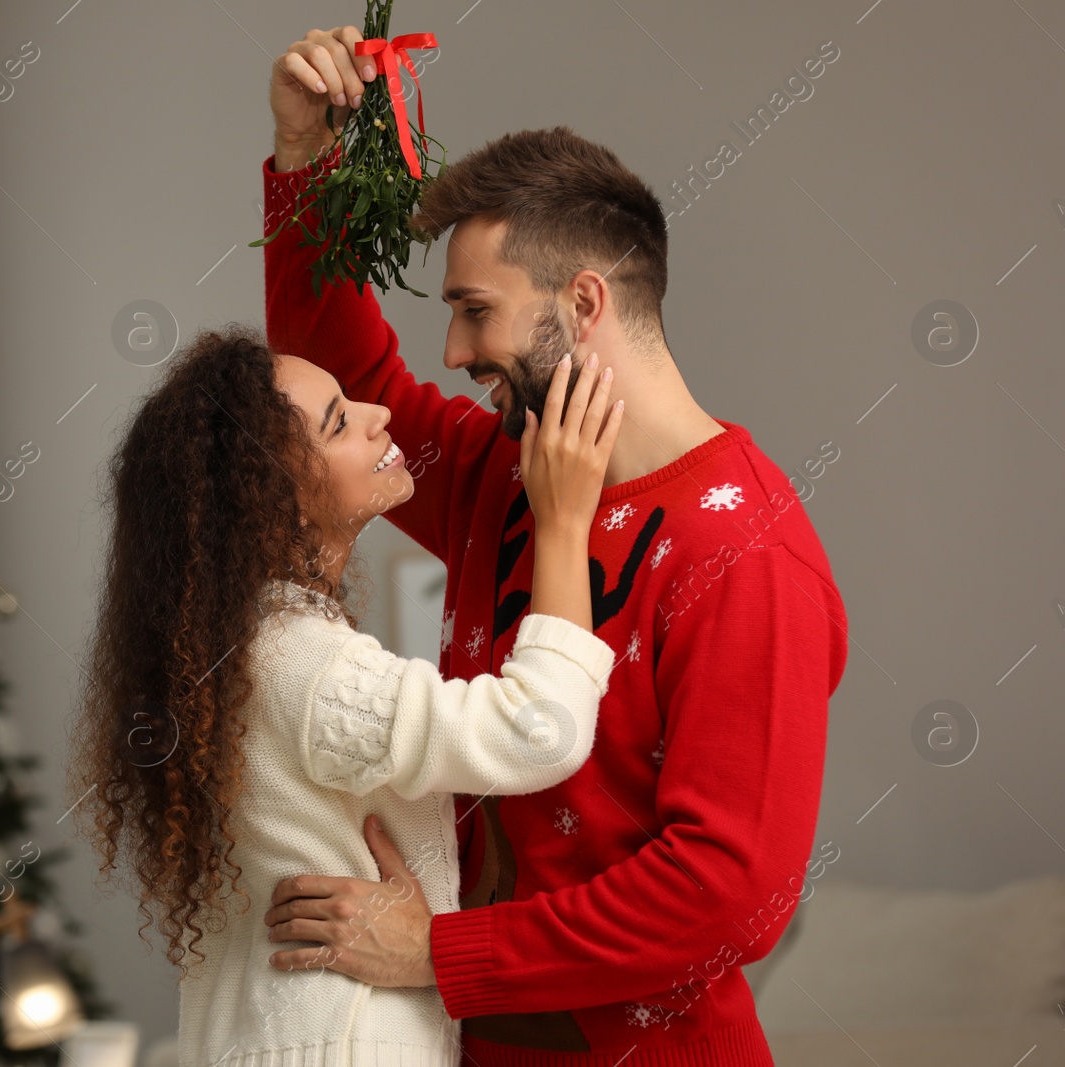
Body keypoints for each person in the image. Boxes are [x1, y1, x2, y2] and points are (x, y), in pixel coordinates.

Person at [257, 25, 850, 1067]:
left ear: (583, 303)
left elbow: (726, 895)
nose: (451, 352)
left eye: (474, 312)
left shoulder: (747, 551)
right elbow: (346, 392)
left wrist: (441, 951)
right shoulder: (502, 470)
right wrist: (305, 160)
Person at [69, 323, 629, 1067]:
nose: (380, 416)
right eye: (339, 420)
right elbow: (541, 730)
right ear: (275, 504)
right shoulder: (305, 664)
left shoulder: (243, 651)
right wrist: (562, 524)